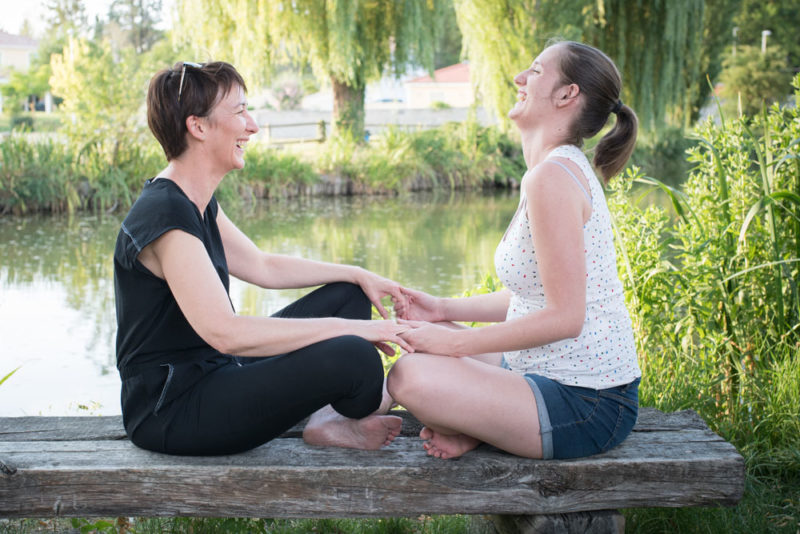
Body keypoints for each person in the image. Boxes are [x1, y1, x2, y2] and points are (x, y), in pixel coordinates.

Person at [114, 61, 412, 456]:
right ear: (198, 127)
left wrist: (358, 273)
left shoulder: (193, 200)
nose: (252, 126)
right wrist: (358, 332)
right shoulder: (165, 217)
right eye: (239, 112)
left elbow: (261, 266)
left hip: (217, 369)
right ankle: (356, 409)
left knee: (349, 295)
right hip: (172, 409)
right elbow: (226, 332)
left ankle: (328, 419)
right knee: (354, 354)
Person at [387, 41, 641, 460]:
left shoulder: (553, 179)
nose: (519, 79)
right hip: (543, 372)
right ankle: (484, 425)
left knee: (409, 374)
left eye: (536, 72)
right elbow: (533, 298)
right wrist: (442, 309)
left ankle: (485, 427)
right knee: (423, 340)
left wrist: (453, 346)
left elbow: (566, 317)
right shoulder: (553, 169)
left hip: (587, 403)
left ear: (566, 95)